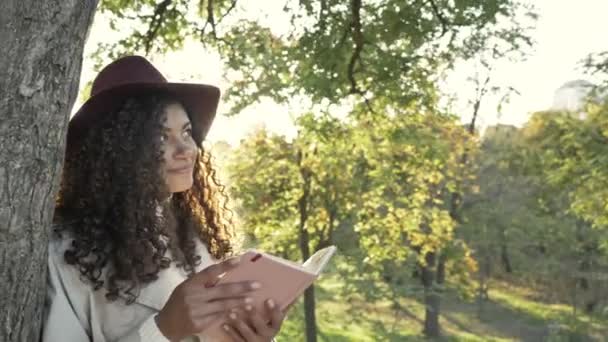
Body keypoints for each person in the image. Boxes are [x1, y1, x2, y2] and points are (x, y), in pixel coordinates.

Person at [42, 56, 287, 342]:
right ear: (116, 153)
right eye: (160, 137)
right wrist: (162, 330)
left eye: (186, 132)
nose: (185, 149)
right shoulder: (64, 251)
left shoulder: (195, 239)